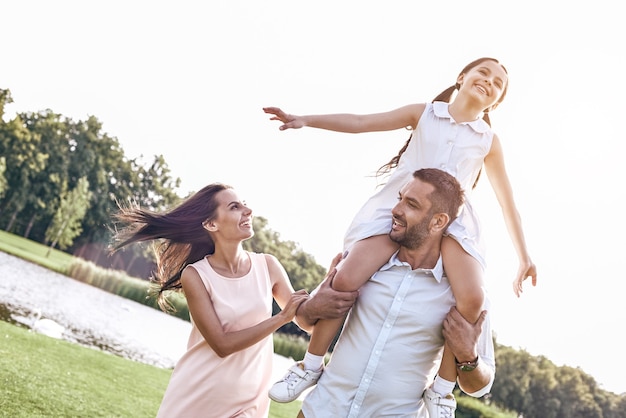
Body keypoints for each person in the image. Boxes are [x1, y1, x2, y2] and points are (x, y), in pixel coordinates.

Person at [264, 57, 537, 414]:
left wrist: (524, 257)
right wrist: (306, 120)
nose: (489, 81)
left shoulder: (488, 140)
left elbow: (507, 203)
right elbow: (362, 122)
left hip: (450, 221)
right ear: (461, 77)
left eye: (498, 83)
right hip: (402, 206)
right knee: (346, 276)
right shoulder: (424, 113)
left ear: (496, 102)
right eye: (483, 72)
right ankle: (310, 366)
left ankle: (440, 391)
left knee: (471, 298)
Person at [110, 182, 358, 418]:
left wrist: (325, 287)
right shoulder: (196, 275)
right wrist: (281, 318)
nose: (247, 211)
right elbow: (222, 344)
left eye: (244, 204)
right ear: (211, 224)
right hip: (198, 395)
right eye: (234, 207)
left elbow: (304, 319)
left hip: (249, 399)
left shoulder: (267, 265)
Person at [301, 168, 494, 417]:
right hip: (322, 410)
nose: (396, 210)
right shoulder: (362, 263)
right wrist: (313, 306)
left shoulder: (463, 293)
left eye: (411, 204)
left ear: (438, 221)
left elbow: (479, 386)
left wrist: (468, 357)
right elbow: (306, 321)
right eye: (399, 198)